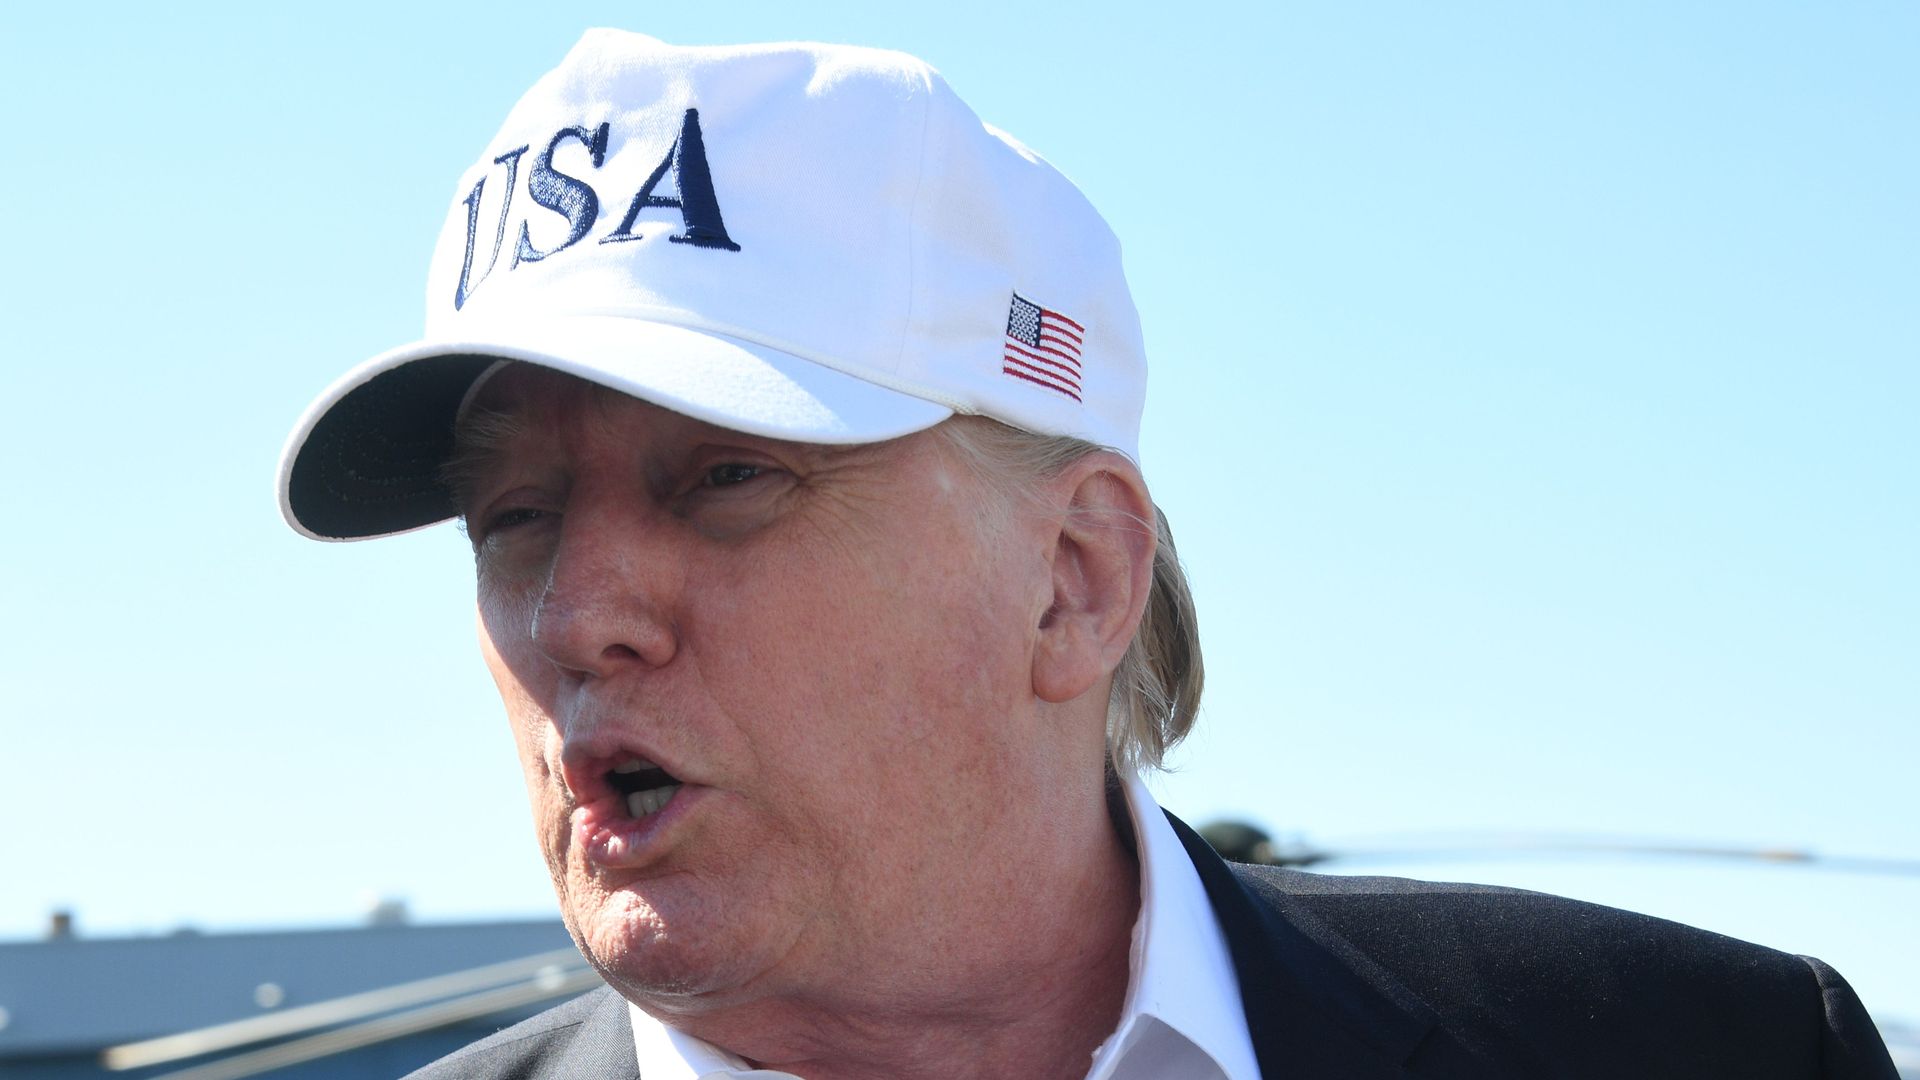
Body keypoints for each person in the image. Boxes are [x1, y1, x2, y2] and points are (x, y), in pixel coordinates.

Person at [278, 30, 1898, 1080]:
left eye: (727, 476)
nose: (576, 614)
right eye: (513, 518)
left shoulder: (1707, 1053)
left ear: (1077, 577)